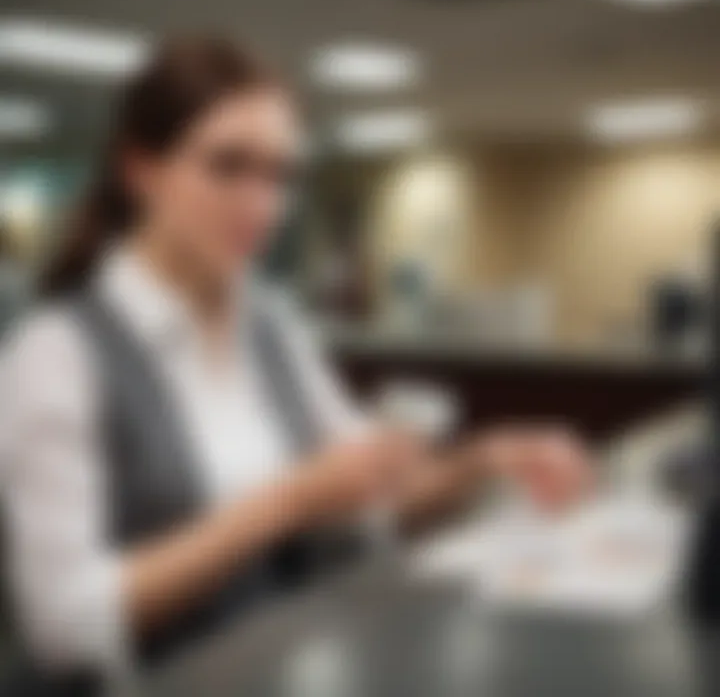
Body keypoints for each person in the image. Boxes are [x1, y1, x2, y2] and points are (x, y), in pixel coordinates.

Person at [0, 37, 591, 689]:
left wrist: (482, 459)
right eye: (228, 166)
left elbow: (371, 502)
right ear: (141, 169)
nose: (263, 206)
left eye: (279, 175)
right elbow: (62, 626)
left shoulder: (273, 327)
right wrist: (287, 502)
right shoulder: (54, 354)